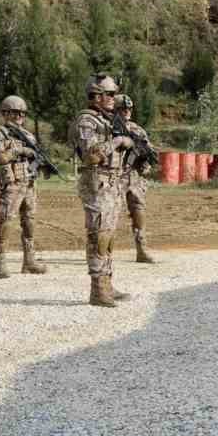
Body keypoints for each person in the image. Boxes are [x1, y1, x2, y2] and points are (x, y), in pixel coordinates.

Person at [71, 75, 135, 306]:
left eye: (114, 94)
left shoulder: (107, 120)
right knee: (98, 236)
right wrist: (117, 143)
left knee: (108, 236)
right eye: (109, 94)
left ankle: (107, 283)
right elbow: (90, 155)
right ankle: (97, 289)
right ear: (96, 96)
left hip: (111, 183)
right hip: (96, 184)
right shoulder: (87, 121)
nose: (113, 98)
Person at [0, 95, 50, 279]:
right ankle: (1, 260)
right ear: (5, 113)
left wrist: (42, 163)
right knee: (7, 220)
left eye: (22, 113)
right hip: (12, 184)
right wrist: (19, 150)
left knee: (29, 220)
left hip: (29, 182)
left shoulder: (29, 136)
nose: (19, 117)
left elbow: (36, 156)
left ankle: (29, 261)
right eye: (15, 113)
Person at [115, 93, 157, 264]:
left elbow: (149, 151)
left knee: (138, 210)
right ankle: (101, 250)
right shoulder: (109, 128)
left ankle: (142, 249)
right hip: (115, 175)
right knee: (109, 213)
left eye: (129, 108)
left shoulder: (137, 129)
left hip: (134, 176)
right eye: (123, 109)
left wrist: (146, 162)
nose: (127, 111)